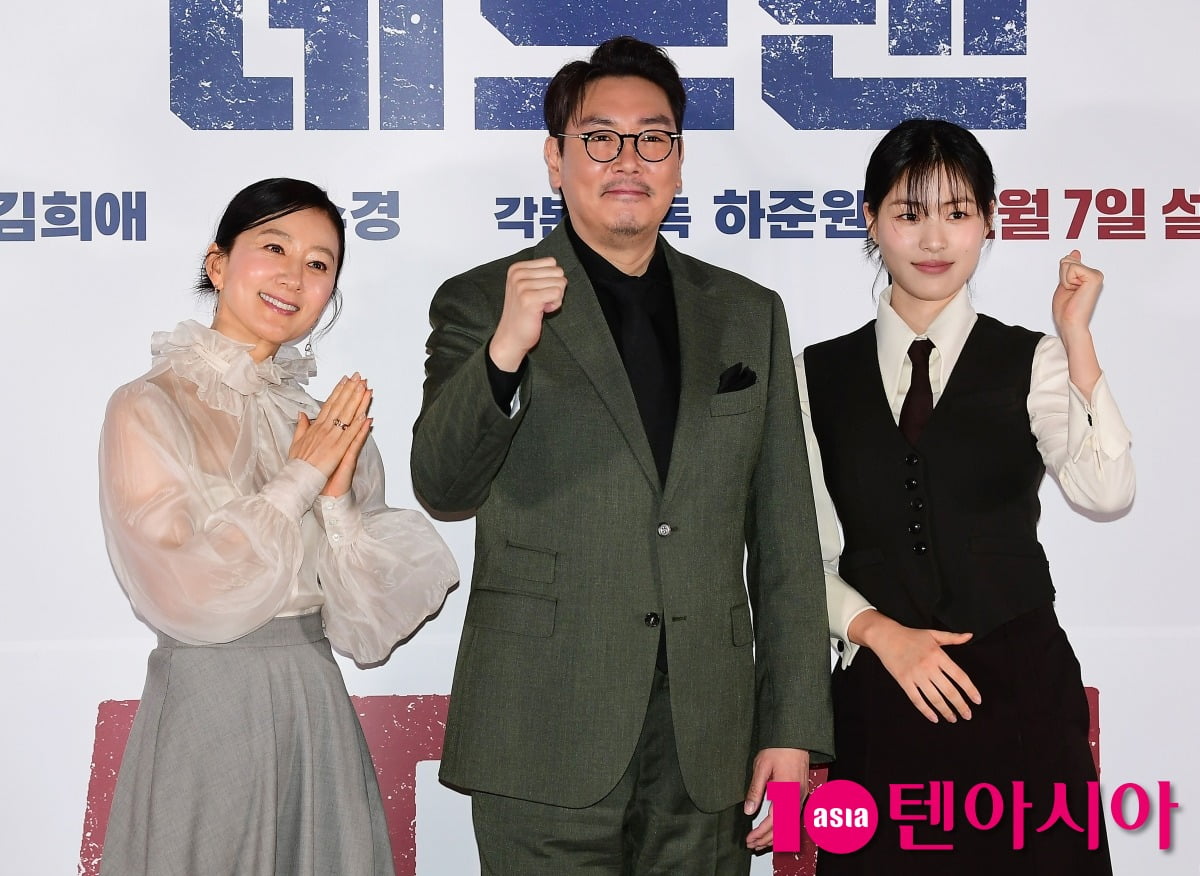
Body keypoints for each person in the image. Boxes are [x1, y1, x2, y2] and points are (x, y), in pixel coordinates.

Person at [411, 35, 832, 875]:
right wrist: (504, 353)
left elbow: (787, 538)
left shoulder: (749, 314)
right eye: (599, 137)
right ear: (556, 158)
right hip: (542, 729)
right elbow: (443, 484)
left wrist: (792, 731)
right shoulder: (483, 300)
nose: (627, 158)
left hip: (708, 743)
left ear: (678, 159)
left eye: (653, 137)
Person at [800, 119, 1134, 874]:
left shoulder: (1035, 360)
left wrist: (1076, 337)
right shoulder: (812, 374)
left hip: (1021, 696)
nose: (933, 238)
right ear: (871, 220)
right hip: (882, 702)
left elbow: (1107, 491)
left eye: (956, 212)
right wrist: (879, 633)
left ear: (988, 220)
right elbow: (795, 556)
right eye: (908, 212)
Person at [98, 177, 459, 875]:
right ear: (218, 263)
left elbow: (367, 626)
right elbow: (180, 589)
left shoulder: (323, 424)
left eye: (319, 263)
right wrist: (298, 479)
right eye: (274, 248)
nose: (295, 277)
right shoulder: (147, 407)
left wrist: (336, 499)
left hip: (312, 697)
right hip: (208, 701)